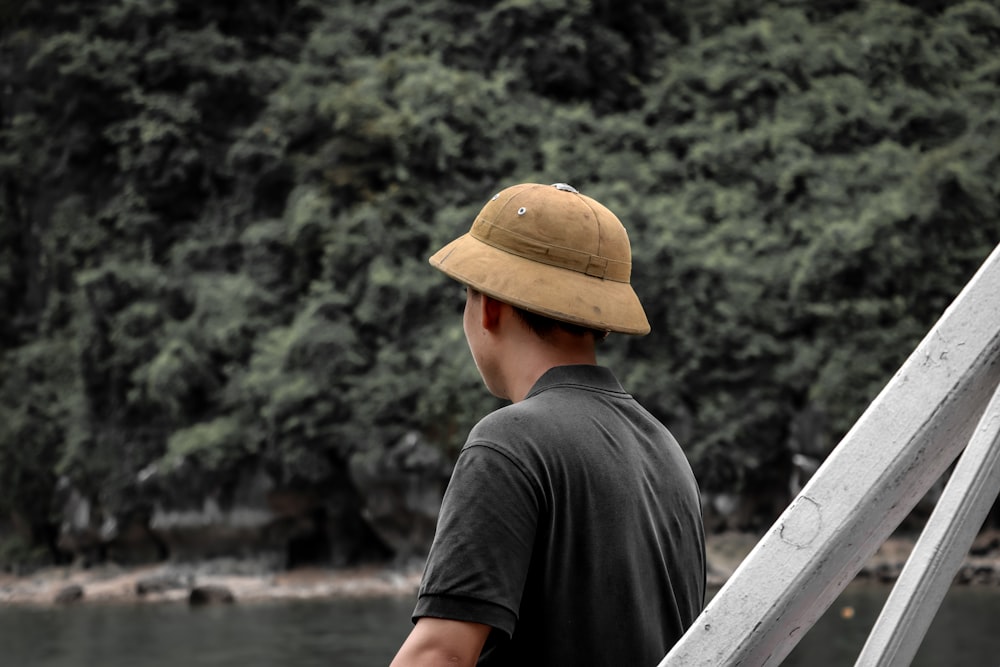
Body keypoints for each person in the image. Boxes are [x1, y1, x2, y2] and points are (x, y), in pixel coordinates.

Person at [390, 183, 706, 667]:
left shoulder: (509, 443)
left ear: (488, 307)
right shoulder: (666, 452)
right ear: (596, 319)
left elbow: (438, 656)